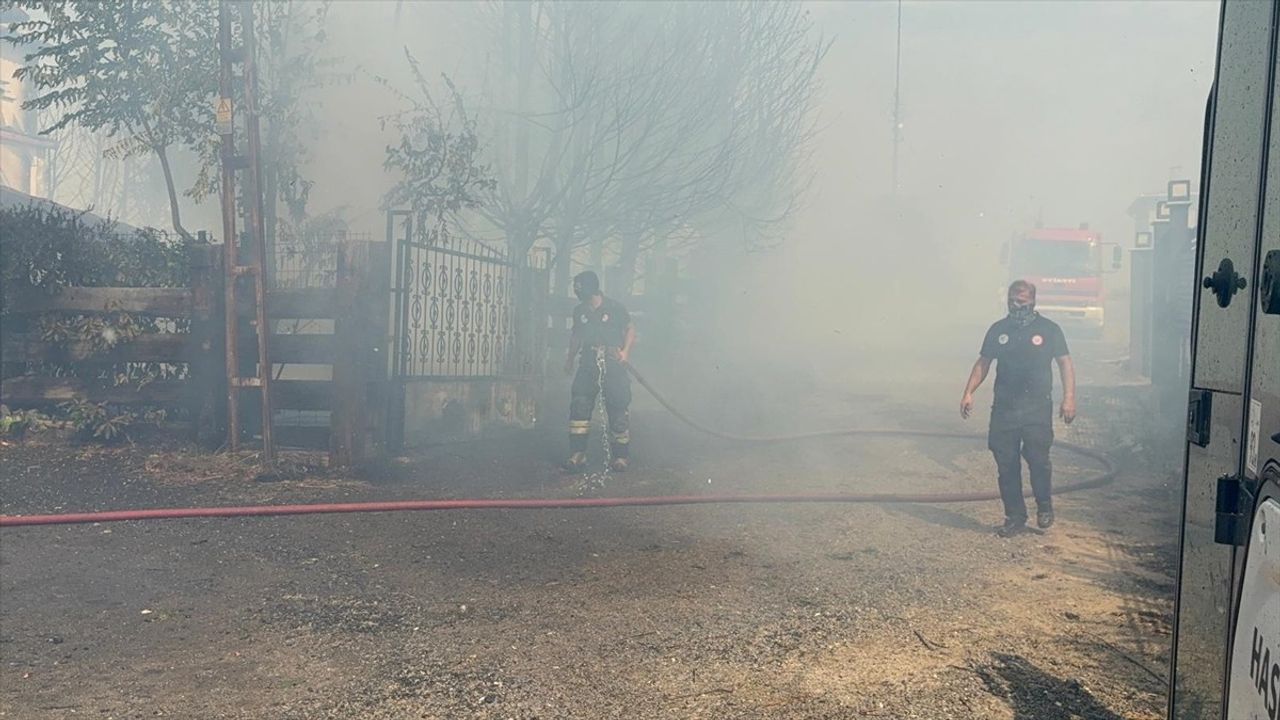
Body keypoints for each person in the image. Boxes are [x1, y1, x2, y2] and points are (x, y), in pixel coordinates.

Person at [961, 280, 1076, 537]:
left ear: (1033, 302)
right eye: (1012, 301)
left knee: (1038, 460)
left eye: (1021, 302)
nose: (1016, 306)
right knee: (1006, 463)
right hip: (1005, 408)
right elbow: (983, 363)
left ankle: (1044, 506)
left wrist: (1069, 398)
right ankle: (1015, 516)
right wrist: (968, 392)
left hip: (1037, 407)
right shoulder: (998, 330)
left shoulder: (1049, 329)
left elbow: (1065, 363)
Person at [564, 271, 636, 472]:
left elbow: (630, 329)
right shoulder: (580, 311)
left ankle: (621, 456)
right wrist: (569, 359)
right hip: (588, 363)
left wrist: (625, 352)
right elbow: (576, 336)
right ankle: (578, 454)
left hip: (612, 364)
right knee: (579, 405)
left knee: (617, 407)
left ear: (591, 287)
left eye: (579, 287)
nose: (577, 291)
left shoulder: (614, 307)